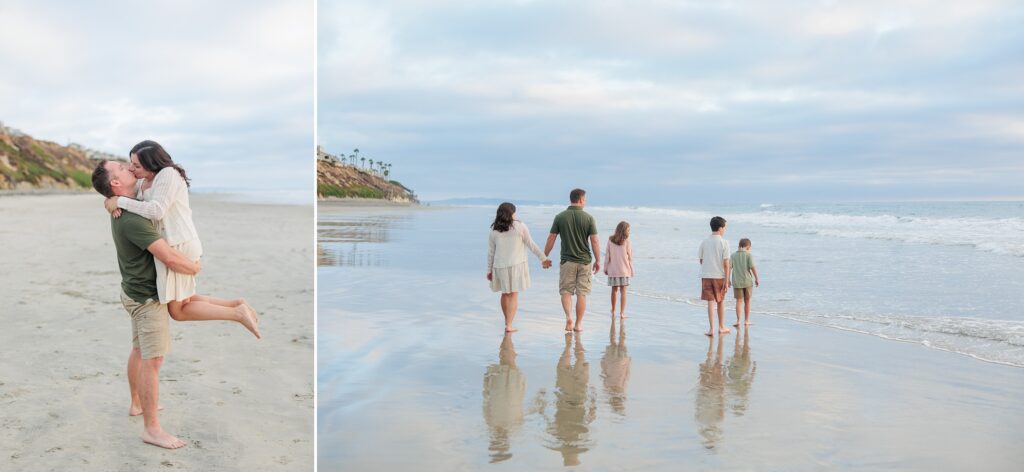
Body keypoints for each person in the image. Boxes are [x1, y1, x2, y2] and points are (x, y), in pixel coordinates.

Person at [92, 159, 201, 449]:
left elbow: (155, 188)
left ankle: (136, 404)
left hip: (132, 292)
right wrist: (194, 268)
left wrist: (111, 200)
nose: (130, 169)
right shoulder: (132, 217)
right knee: (153, 361)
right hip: (146, 298)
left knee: (140, 351)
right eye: (122, 168)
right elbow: (168, 256)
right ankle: (152, 429)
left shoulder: (127, 204)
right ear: (115, 183)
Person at [104, 141, 260, 339]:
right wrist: (110, 200)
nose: (132, 169)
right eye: (131, 163)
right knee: (183, 300)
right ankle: (236, 305)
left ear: (152, 163)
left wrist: (120, 201)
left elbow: (156, 210)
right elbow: (130, 199)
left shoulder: (168, 174)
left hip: (179, 243)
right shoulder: (145, 181)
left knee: (178, 310)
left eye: (137, 165)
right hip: (169, 243)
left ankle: (236, 313)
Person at [487, 202, 552, 332]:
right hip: (516, 265)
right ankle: (509, 325)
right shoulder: (520, 226)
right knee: (514, 294)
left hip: (499, 266)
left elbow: (491, 252)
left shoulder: (494, 230)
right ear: (511, 213)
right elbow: (531, 244)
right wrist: (543, 258)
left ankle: (507, 322)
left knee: (505, 294)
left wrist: (489, 270)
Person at [544, 189, 600, 332]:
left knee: (566, 291)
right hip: (585, 261)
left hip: (567, 261)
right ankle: (579, 324)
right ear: (580, 200)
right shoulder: (588, 218)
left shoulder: (560, 217)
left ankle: (569, 317)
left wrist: (545, 256)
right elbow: (594, 241)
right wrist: (598, 259)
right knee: (582, 293)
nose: (585, 201)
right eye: (585, 199)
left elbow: (552, 238)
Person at [698, 216, 731, 336]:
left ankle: (711, 329)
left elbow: (701, 260)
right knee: (721, 301)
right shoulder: (724, 243)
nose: (725, 230)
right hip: (719, 276)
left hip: (706, 275)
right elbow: (726, 264)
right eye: (725, 228)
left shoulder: (704, 242)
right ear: (721, 228)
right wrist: (727, 280)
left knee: (710, 302)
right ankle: (721, 327)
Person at [603, 221, 634, 319]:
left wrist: (605, 267)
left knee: (614, 290)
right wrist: (632, 269)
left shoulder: (610, 240)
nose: (629, 231)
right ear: (624, 230)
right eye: (628, 229)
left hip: (613, 270)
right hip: (624, 270)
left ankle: (613, 310)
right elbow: (630, 256)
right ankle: (622, 313)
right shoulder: (627, 241)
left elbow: (607, 255)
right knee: (623, 292)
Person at [730, 238, 759, 328]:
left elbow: (729, 268)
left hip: (737, 281)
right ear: (748, 247)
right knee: (747, 301)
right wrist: (756, 278)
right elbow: (753, 268)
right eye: (749, 248)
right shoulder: (748, 255)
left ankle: (738, 321)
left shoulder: (733, 255)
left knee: (739, 301)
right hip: (747, 281)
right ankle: (746, 321)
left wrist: (727, 279)